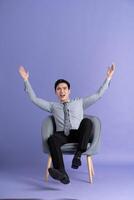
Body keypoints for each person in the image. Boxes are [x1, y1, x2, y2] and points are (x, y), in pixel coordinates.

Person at [19, 64, 115, 184]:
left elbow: (98, 95)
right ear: (55, 92)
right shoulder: (52, 106)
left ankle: (78, 155)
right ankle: (62, 173)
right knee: (52, 139)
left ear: (69, 91)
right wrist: (25, 80)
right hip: (62, 134)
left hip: (78, 133)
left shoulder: (80, 102)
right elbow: (34, 99)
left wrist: (108, 78)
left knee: (87, 122)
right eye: (59, 89)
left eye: (64, 88)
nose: (62, 91)